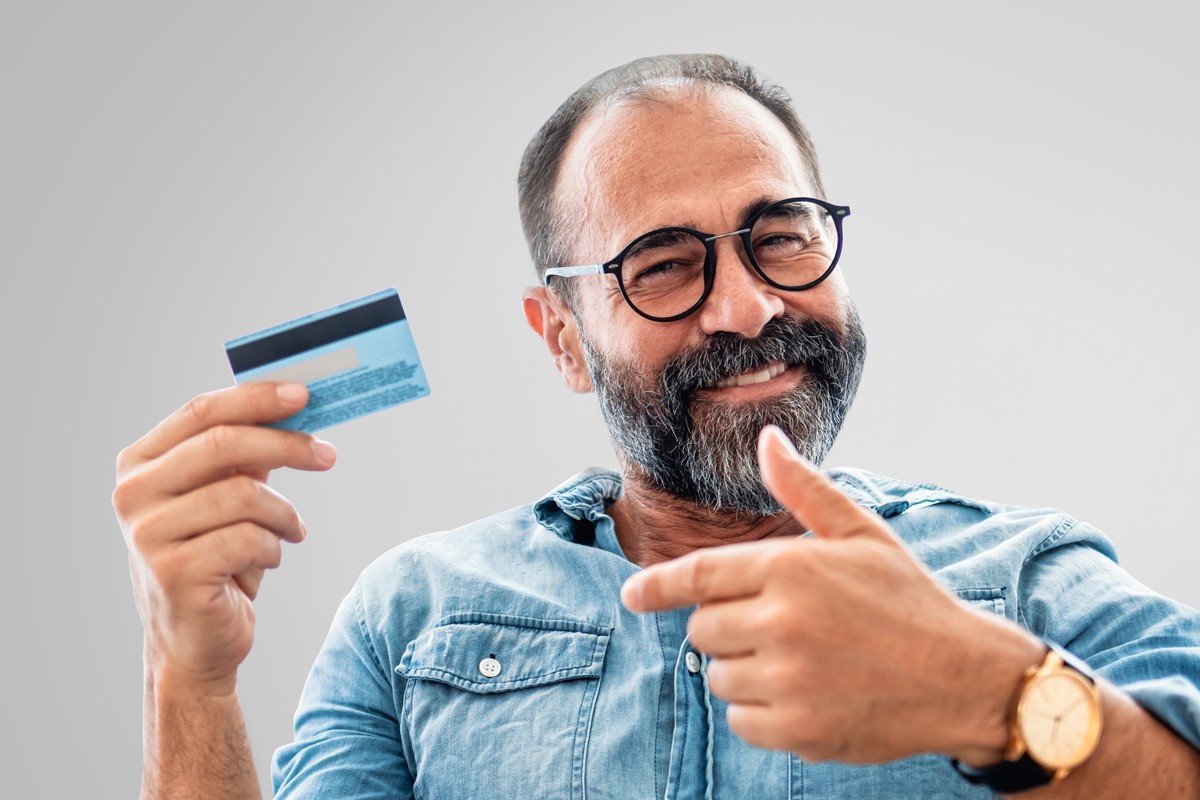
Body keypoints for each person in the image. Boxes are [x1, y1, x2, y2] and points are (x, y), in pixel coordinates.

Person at [113, 54, 1200, 798]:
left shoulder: (1020, 579)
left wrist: (994, 696)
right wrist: (188, 677)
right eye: (665, 265)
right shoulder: (413, 615)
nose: (746, 308)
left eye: (781, 234)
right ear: (561, 337)